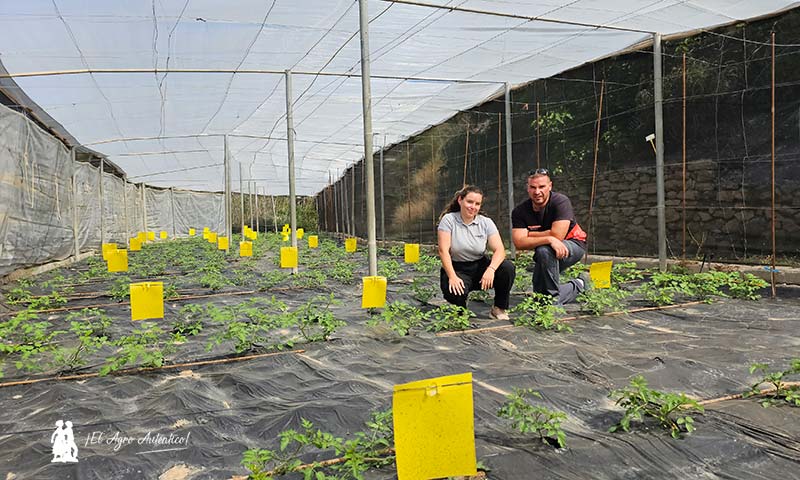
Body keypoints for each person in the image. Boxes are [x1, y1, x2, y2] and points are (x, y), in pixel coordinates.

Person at [511, 168, 590, 305]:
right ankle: (579, 285)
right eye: (533, 187)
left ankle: (553, 303)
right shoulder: (520, 211)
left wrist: (530, 235)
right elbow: (519, 242)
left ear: (550, 186)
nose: (537, 192)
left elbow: (557, 235)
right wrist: (549, 238)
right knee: (539, 296)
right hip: (547, 249)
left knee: (543, 250)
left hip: (573, 244)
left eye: (542, 187)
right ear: (527, 188)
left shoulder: (560, 201)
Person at [437, 185, 516, 320]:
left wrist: (491, 269)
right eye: (469, 202)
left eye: (477, 204)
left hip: (479, 267)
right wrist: (452, 276)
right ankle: (460, 309)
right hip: (457, 268)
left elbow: (500, 250)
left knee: (507, 268)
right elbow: (443, 251)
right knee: (456, 294)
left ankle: (499, 308)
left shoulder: (485, 223)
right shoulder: (449, 220)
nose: (473, 207)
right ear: (460, 200)